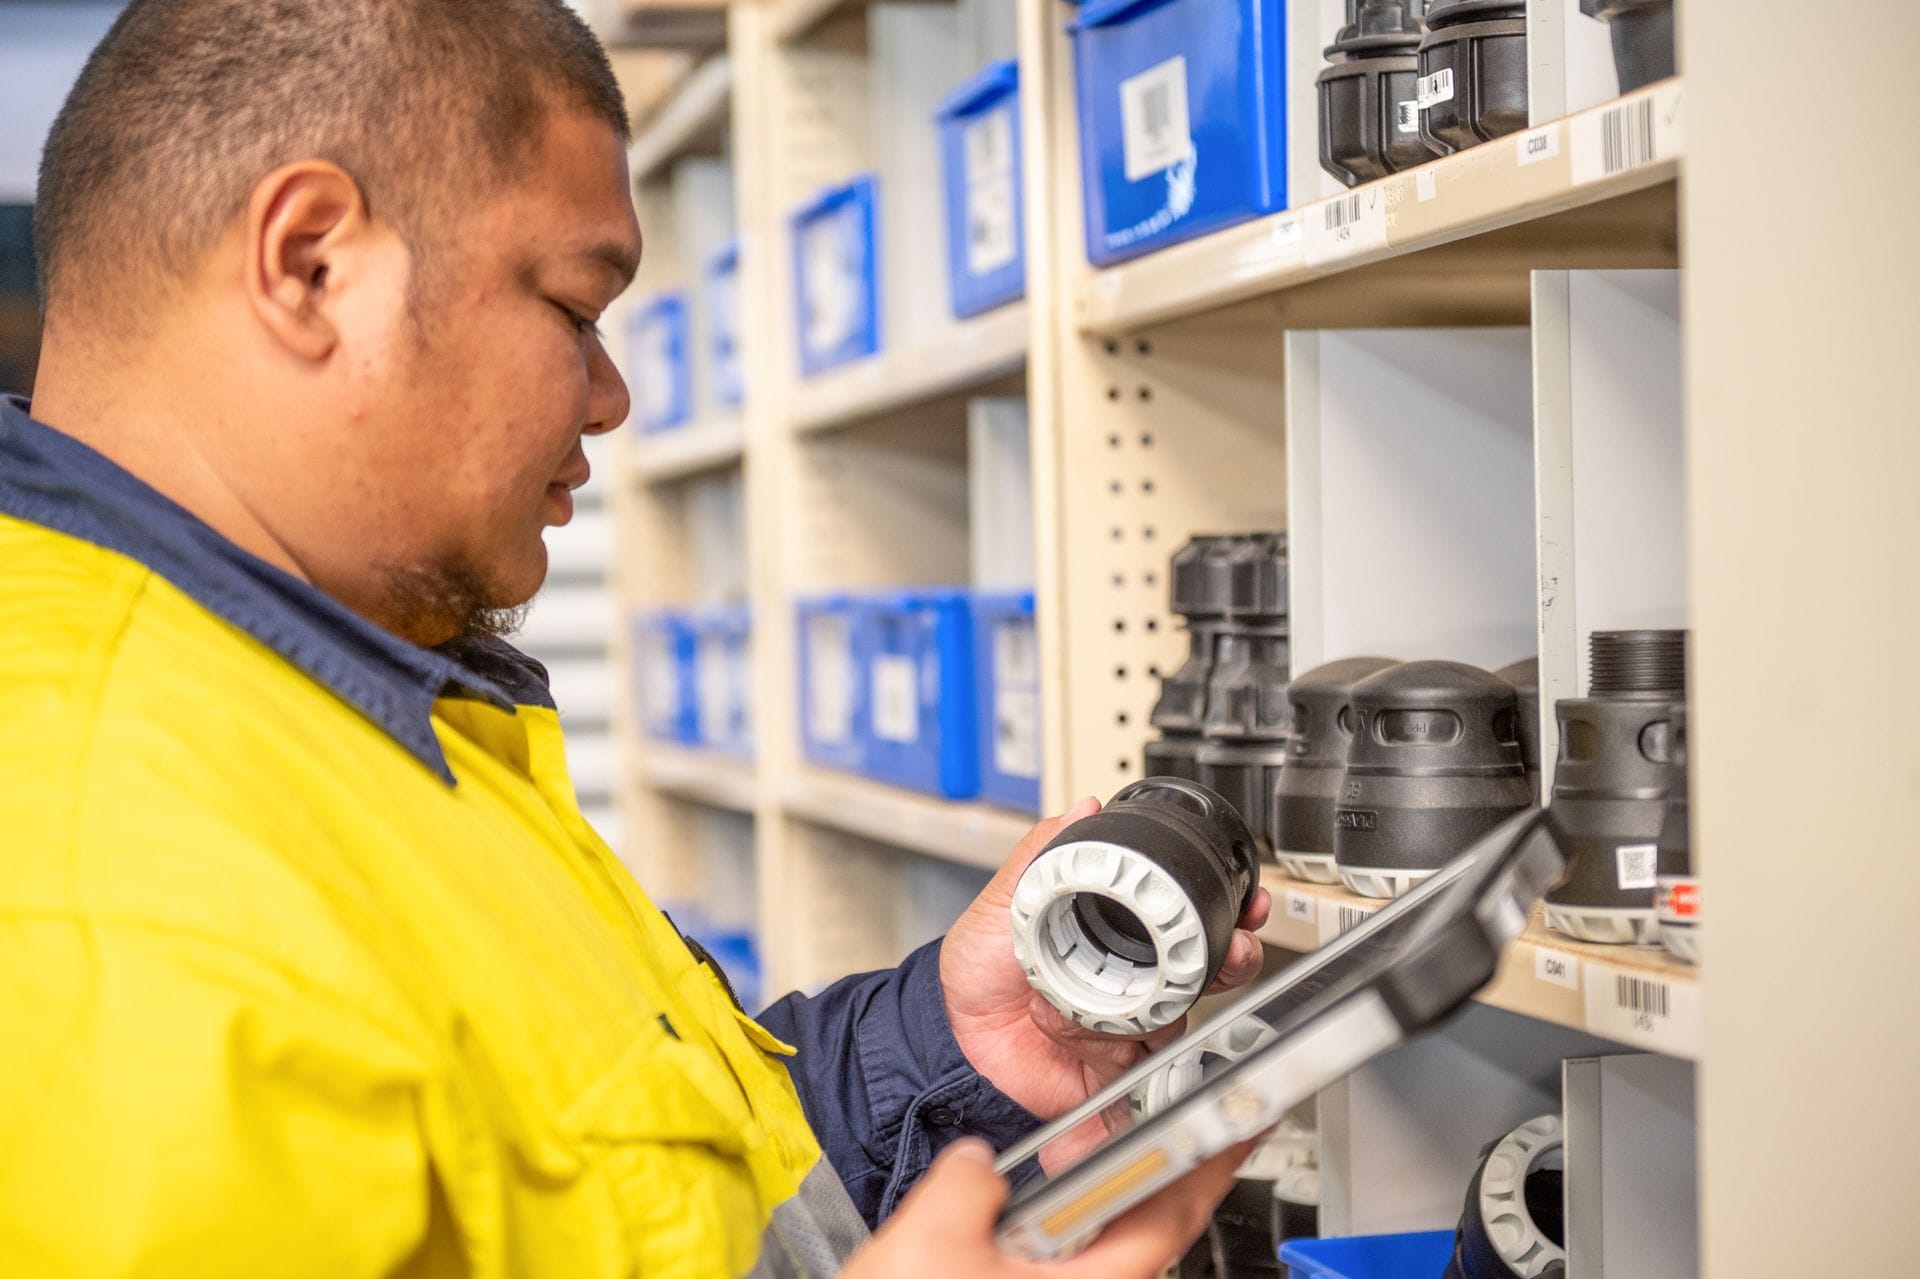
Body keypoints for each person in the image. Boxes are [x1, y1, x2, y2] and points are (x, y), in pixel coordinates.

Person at [0, 2, 1273, 1275]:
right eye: (574, 307)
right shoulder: (99, 875)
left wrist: (952, 1046)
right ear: (312, 264)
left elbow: (643, 1201)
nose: (611, 398)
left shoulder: (341, 703)